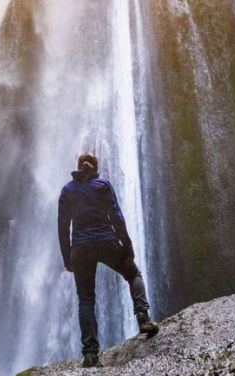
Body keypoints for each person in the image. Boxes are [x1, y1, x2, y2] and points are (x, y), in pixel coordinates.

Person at [57, 152, 159, 368]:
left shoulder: (67, 190)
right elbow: (117, 217)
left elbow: (63, 226)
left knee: (86, 300)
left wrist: (67, 257)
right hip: (106, 241)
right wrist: (128, 249)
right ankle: (143, 318)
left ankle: (91, 353)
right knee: (133, 274)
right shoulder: (102, 185)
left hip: (80, 248)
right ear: (95, 168)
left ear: (78, 167)